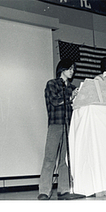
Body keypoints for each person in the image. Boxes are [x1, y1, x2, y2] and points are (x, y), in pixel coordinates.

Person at [38, 58, 79, 200]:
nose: (72, 71)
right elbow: (55, 101)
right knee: (50, 157)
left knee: (65, 159)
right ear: (62, 69)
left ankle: (63, 190)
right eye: (70, 69)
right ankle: (44, 191)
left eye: (73, 69)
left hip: (68, 125)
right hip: (56, 124)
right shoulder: (52, 84)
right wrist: (70, 98)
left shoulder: (73, 88)